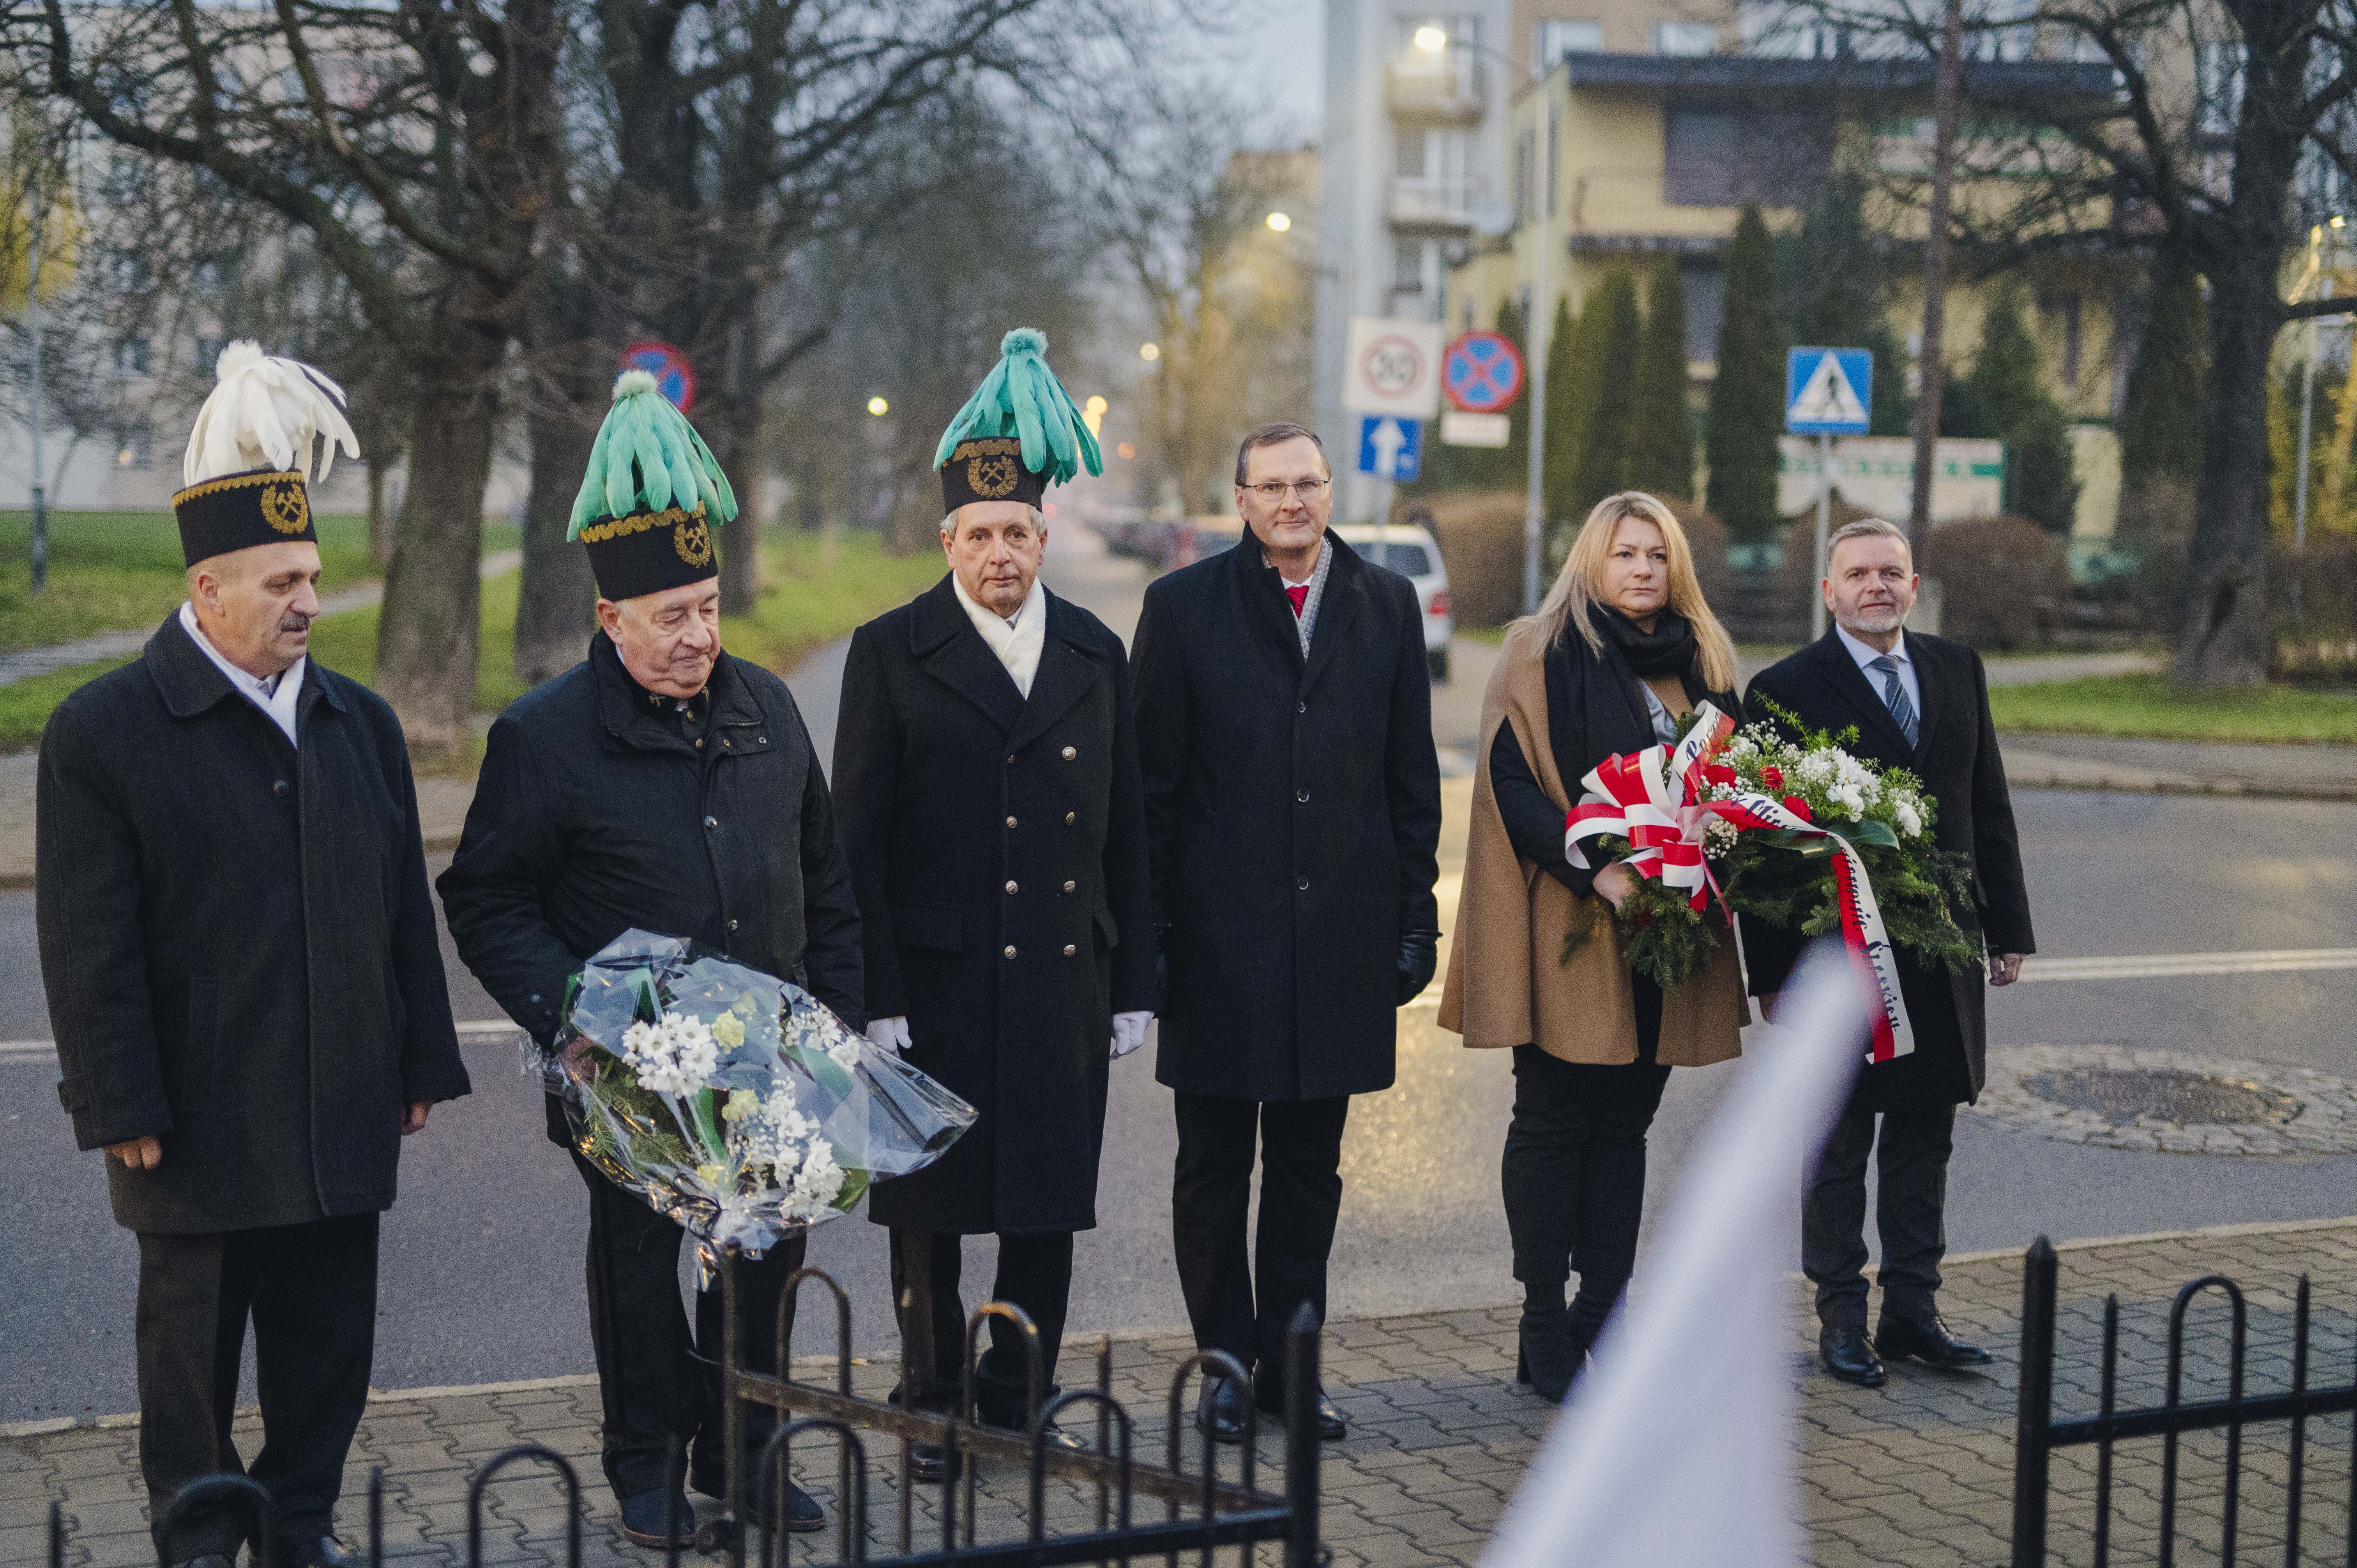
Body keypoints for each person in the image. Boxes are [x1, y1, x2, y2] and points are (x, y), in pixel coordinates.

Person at [37, 343, 470, 1568]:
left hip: (338, 1103)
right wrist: (119, 1097)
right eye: (283, 580)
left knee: (327, 1343)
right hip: (194, 1116)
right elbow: (87, 943)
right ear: (210, 588)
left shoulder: (360, 722)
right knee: (191, 1357)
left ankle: (300, 1528)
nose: (310, 601)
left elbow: (400, 907)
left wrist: (418, 1063)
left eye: (315, 576)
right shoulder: (104, 734)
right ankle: (198, 1535)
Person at [436, 370, 862, 1543]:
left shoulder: (767, 709)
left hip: (771, 1066)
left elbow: (825, 875)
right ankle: (645, 1465)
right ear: (612, 619)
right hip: (624, 1074)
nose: (698, 638)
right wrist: (569, 1009)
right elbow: (484, 898)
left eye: (710, 607)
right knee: (641, 1278)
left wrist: (841, 1029)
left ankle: (748, 1454)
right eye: (671, 617)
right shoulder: (542, 738)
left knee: (763, 1267)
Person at [831, 330, 1155, 1476]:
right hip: (934, 991)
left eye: (1018, 531)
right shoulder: (889, 653)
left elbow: (1128, 832)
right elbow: (853, 845)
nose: (1001, 552)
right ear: (947, 541)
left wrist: (1134, 985)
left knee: (1042, 1207)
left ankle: (1013, 1397)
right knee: (929, 1220)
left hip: (1063, 973)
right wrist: (871, 996)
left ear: (1044, 534)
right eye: (980, 535)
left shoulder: (1093, 651)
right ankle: (930, 1407)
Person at [1131, 420, 1443, 1443]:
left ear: (1328, 490)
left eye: (1307, 483)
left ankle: (1291, 1365)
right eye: (1271, 487)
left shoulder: (1386, 605)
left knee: (1312, 1169)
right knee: (1213, 1167)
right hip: (1219, 945)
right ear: (1242, 498)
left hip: (1341, 943)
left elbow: (1410, 783)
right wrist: (1155, 941)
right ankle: (1225, 1366)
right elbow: (1152, 794)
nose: (1292, 502)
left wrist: (1414, 920)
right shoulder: (1181, 610)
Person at [1438, 491, 1748, 1399]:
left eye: (1658, 554)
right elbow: (1509, 780)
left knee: (1626, 1126)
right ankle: (1543, 1320)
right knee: (1550, 1119)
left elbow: (1738, 782)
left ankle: (1602, 1311)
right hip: (1576, 924)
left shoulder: (1704, 656)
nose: (1644, 569)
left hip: (1673, 933)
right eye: (1625, 554)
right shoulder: (1541, 648)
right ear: (1592, 562)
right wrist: (1595, 867)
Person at [1744, 516, 2035, 1388]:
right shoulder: (1785, 689)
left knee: (1924, 1139)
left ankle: (1914, 1311)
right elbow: (1759, 852)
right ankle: (1841, 1317)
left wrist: (2008, 927)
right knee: (1836, 1144)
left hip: (1941, 953)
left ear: (1914, 585)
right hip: (1838, 964)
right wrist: (1773, 979)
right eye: (1859, 572)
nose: (1878, 584)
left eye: (1892, 572)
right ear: (1828, 590)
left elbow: (1989, 803)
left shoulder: (1957, 668)